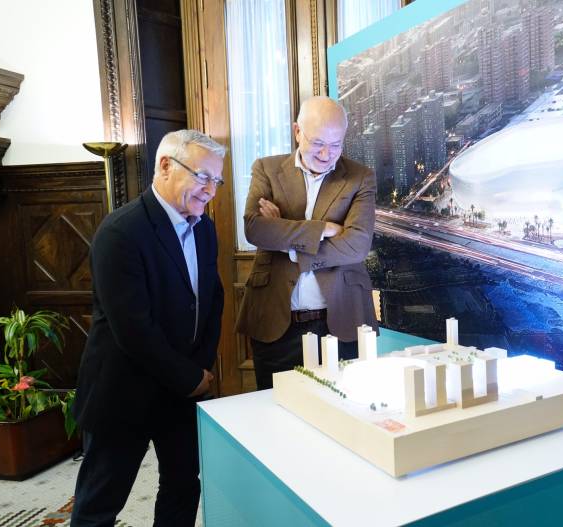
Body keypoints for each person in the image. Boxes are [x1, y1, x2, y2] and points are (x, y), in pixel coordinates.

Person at [71, 130, 225, 526]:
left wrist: (201, 368)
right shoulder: (120, 232)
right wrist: (191, 377)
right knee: (100, 504)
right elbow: (133, 330)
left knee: (182, 488)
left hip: (180, 391)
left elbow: (211, 300)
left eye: (217, 180)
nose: (211, 190)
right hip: (123, 391)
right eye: (202, 176)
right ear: (165, 166)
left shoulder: (205, 228)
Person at [236, 96, 377, 390]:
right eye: (318, 143)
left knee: (344, 415)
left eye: (336, 145)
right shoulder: (266, 169)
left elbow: (357, 244)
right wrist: (321, 229)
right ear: (297, 131)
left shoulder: (360, 177)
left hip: (340, 321)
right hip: (277, 326)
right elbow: (255, 229)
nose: (327, 154)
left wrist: (289, 243)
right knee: (276, 417)